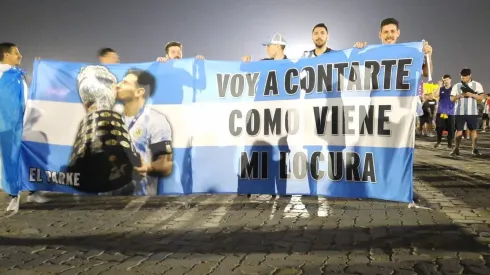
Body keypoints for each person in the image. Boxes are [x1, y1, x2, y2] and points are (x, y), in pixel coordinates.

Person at [1, 43, 50, 211]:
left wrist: (42, 70)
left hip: (25, 123)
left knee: (29, 156)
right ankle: (13, 196)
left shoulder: (18, 75)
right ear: (6, 55)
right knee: (10, 159)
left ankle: (32, 191)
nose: (20, 55)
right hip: (6, 126)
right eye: (16, 53)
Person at [241, 33, 289, 200]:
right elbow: (244, 71)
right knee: (253, 149)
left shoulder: (291, 66)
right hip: (259, 115)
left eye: (269, 45)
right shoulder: (263, 64)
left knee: (280, 152)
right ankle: (248, 187)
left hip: (279, 116)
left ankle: (281, 190)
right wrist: (245, 63)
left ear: (277, 46)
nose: (267, 49)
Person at [112, 69, 174, 195]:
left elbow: (166, 165)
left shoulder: (155, 120)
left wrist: (147, 167)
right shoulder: (111, 118)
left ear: (139, 92)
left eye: (125, 83)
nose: (118, 85)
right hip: (106, 201)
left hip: (139, 202)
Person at [450, 68, 485, 157]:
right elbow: (452, 98)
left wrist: (472, 95)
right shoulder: (457, 86)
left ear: (470, 75)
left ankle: (474, 149)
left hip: (472, 112)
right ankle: (456, 148)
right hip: (459, 112)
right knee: (459, 130)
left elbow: (481, 97)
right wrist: (461, 95)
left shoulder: (477, 85)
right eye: (462, 77)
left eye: (466, 77)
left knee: (473, 130)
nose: (464, 79)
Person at [433, 75, 455, 148]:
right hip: (441, 112)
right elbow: (435, 95)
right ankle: (438, 142)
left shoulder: (453, 89)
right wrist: (438, 86)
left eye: (447, 80)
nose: (446, 81)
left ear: (450, 80)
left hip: (450, 112)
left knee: (451, 129)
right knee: (439, 128)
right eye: (444, 80)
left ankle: (450, 143)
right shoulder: (441, 88)